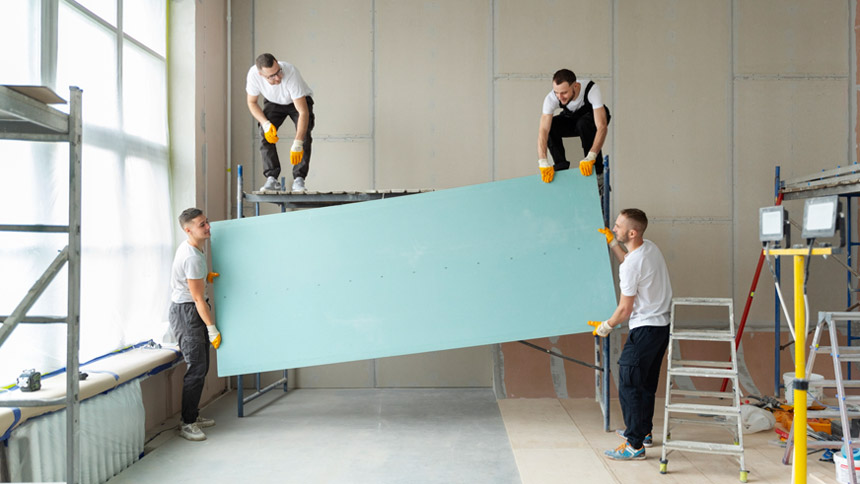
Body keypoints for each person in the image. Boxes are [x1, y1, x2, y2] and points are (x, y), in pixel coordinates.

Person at [587, 208, 672, 461]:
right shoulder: (650, 248)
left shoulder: (633, 264)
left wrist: (607, 325)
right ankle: (643, 432)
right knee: (644, 383)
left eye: (618, 227)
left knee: (629, 383)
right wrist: (614, 244)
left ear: (632, 232)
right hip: (660, 328)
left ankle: (634, 445)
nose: (614, 228)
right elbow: (630, 263)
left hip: (644, 329)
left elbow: (625, 308)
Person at [169, 208, 222, 442]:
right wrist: (212, 328)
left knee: (202, 367)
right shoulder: (191, 256)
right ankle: (187, 423)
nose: (208, 226)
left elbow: (193, 286)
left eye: (207, 222)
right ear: (188, 229)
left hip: (191, 308)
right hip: (188, 313)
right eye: (202, 224)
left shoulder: (194, 246)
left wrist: (204, 277)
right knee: (197, 369)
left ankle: (193, 415)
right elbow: (198, 299)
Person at [246, 53, 315, 192]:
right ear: (261, 74)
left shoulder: (290, 73)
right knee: (265, 134)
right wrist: (265, 124)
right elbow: (252, 102)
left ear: (277, 63)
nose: (278, 77)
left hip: (297, 102)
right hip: (273, 102)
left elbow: (302, 112)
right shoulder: (253, 75)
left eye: (278, 72)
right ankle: (272, 178)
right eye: (271, 76)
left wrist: (298, 143)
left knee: (304, 135)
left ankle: (299, 179)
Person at [536, 69, 611, 188]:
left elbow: (602, 127)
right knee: (552, 125)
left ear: (575, 86)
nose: (560, 97)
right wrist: (542, 161)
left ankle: (597, 172)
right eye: (556, 92)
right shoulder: (551, 98)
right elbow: (543, 130)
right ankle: (561, 167)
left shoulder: (591, 89)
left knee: (583, 123)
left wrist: (591, 156)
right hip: (573, 119)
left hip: (591, 120)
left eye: (564, 93)